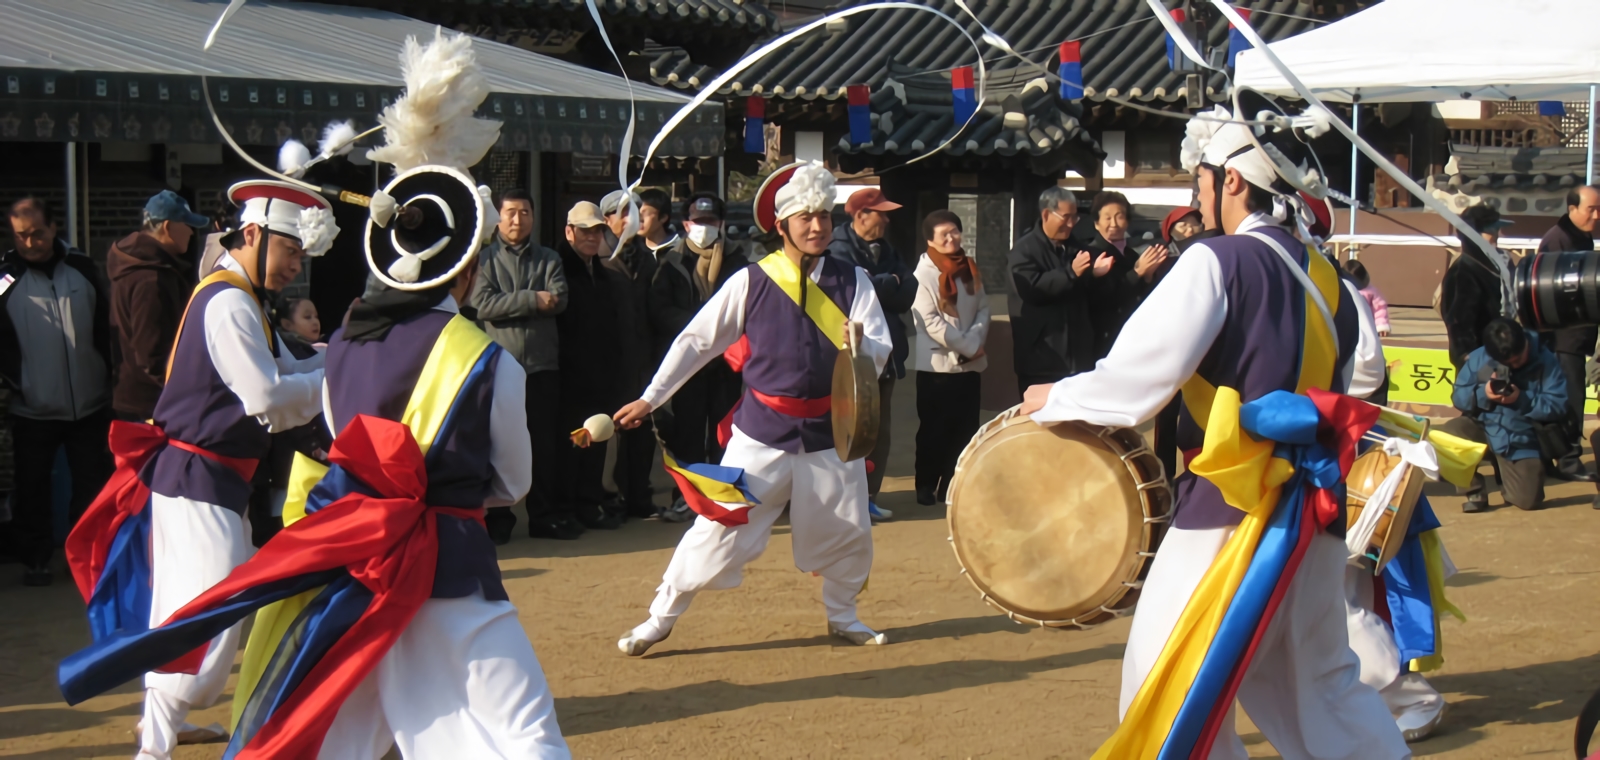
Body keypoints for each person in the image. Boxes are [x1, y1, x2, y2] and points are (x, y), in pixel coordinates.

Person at [1022, 103, 1407, 758]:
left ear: (1230, 180)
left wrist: (1054, 395)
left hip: (1230, 507)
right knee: (1320, 684)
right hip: (1313, 510)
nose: (1196, 193)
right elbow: (1366, 375)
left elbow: (1140, 379)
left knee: (1167, 684)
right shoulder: (1332, 281)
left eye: (1200, 179)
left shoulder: (1216, 262)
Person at [63, 179, 331, 757]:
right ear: (253, 235)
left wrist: (357, 353)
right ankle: (153, 745)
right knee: (205, 625)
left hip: (209, 482)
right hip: (197, 479)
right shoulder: (230, 300)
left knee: (198, 615)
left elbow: (294, 361)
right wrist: (337, 378)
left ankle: (157, 738)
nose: (295, 266)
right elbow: (266, 397)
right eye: (289, 251)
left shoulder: (239, 297)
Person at [612, 162, 894, 655]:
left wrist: (860, 345)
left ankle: (844, 615)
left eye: (823, 216)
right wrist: (651, 396)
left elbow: (881, 350)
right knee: (717, 526)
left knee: (848, 530)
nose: (817, 226)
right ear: (781, 225)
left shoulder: (855, 282)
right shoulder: (752, 281)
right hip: (761, 431)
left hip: (833, 430)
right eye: (805, 217)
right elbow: (696, 342)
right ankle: (661, 616)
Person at [1, 197, 115, 586]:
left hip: (89, 401)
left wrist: (108, 374)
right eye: (21, 236)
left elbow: (104, 325)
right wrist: (14, 381)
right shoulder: (4, 277)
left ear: (53, 228)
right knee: (33, 488)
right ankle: (35, 559)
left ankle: (85, 558)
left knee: (90, 487)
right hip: (32, 406)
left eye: (36, 233)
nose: (29, 243)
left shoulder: (81, 266)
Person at [472, 188, 578, 542]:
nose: (518, 220)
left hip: (542, 366)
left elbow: (559, 299)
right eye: (511, 213)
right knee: (500, 445)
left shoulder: (548, 257)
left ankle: (542, 516)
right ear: (498, 218)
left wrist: (512, 303)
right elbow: (483, 305)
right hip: (500, 368)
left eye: (525, 213)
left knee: (543, 444)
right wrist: (533, 298)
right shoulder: (484, 260)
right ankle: (499, 519)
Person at [651, 192, 749, 523]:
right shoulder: (671, 263)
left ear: (721, 224)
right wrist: (701, 329)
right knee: (688, 432)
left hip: (727, 365)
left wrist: (722, 336)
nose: (704, 228)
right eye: (698, 222)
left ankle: (724, 494)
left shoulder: (739, 263)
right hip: (689, 367)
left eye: (710, 222)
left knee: (725, 433)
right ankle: (687, 497)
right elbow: (660, 310)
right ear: (685, 223)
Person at [828, 187, 914, 520]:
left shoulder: (889, 249)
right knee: (848, 426)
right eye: (881, 212)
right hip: (849, 353)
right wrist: (886, 282)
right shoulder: (837, 248)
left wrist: (880, 282)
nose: (887, 218)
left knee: (879, 428)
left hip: (887, 352)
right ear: (861, 215)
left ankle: (869, 494)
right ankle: (843, 498)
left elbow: (908, 291)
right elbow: (847, 292)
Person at [1440, 318, 1568, 513]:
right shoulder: (1479, 359)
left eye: (1518, 359)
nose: (1514, 365)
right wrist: (1483, 393)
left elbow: (1558, 404)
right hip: (1483, 426)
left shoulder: (1546, 360)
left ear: (1525, 342)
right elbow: (1459, 397)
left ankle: (1505, 473)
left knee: (1528, 501)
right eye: (1508, 363)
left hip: (1521, 437)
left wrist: (1522, 399)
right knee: (1447, 435)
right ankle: (1474, 490)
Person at [556, 202, 630, 530]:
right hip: (568, 377)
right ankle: (568, 505)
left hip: (600, 376)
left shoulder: (603, 273)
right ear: (569, 232)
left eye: (597, 231)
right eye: (584, 231)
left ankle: (589, 503)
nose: (591, 237)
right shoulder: (558, 269)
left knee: (595, 442)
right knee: (572, 443)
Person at [909, 210, 989, 506]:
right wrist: (969, 345)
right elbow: (929, 321)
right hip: (937, 365)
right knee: (933, 428)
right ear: (930, 239)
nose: (951, 238)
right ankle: (926, 484)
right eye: (944, 234)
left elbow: (983, 307)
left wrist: (976, 339)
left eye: (954, 231)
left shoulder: (969, 267)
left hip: (970, 363)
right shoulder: (922, 275)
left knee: (965, 427)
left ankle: (952, 485)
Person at [109, 190, 207, 422]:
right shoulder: (151, 279)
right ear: (167, 226)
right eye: (187, 224)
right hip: (151, 407)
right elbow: (152, 355)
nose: (192, 232)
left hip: (139, 400)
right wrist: (189, 395)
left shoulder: (137, 266)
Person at [1008, 186, 1108, 400]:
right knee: (1040, 422)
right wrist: (1071, 272)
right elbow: (1031, 289)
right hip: (1041, 357)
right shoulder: (1024, 250)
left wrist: (1096, 275)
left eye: (1075, 217)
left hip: (1079, 356)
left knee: (1076, 422)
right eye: (1066, 217)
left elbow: (1089, 296)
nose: (1071, 223)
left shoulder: (1079, 249)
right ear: (1046, 214)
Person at [598, 189, 661, 521]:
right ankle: (607, 498)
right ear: (607, 220)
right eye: (622, 213)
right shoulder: (598, 258)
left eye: (634, 212)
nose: (630, 219)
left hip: (642, 360)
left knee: (641, 432)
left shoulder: (647, 258)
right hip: (608, 362)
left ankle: (639, 497)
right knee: (608, 436)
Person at [1537, 185, 1600, 483]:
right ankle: (1568, 458)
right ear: (1572, 209)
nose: (1597, 216)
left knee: (1571, 399)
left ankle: (1556, 457)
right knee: (1570, 400)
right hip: (1563, 339)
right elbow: (1549, 291)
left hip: (1577, 336)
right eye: (1591, 209)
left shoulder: (1580, 236)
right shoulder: (1557, 240)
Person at [1084, 191, 1167, 359]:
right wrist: (1137, 273)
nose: (1113, 223)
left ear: (1127, 221)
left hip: (1133, 334)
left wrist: (1148, 276)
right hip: (1105, 338)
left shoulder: (1131, 254)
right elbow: (1102, 297)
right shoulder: (1090, 254)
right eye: (1107, 218)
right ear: (1096, 224)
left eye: (1119, 217)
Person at [1440, 203, 1511, 369]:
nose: (1496, 235)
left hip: (1499, 355)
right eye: (1490, 230)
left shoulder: (1496, 264)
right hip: (1478, 362)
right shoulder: (1464, 270)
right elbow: (1458, 321)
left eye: (1496, 229)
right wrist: (1468, 357)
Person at [1342, 260, 1391, 337]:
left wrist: (1382, 325)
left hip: (1368, 327)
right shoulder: (1341, 290)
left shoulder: (1370, 292)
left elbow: (1379, 308)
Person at [637, 187, 679, 259]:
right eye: (636, 213)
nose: (639, 219)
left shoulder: (679, 249)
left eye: (644, 213)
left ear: (663, 218)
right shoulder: (633, 251)